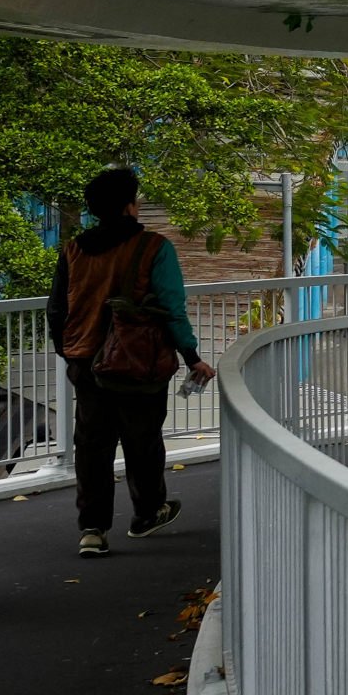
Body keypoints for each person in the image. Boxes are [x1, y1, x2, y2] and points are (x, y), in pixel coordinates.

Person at [46, 166, 213, 555]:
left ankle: (92, 530)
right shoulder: (154, 247)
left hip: (84, 360)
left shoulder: (73, 250)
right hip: (138, 362)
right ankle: (148, 513)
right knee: (143, 440)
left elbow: (57, 309)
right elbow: (173, 308)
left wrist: (69, 351)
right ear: (129, 205)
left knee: (92, 445)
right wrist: (192, 358)